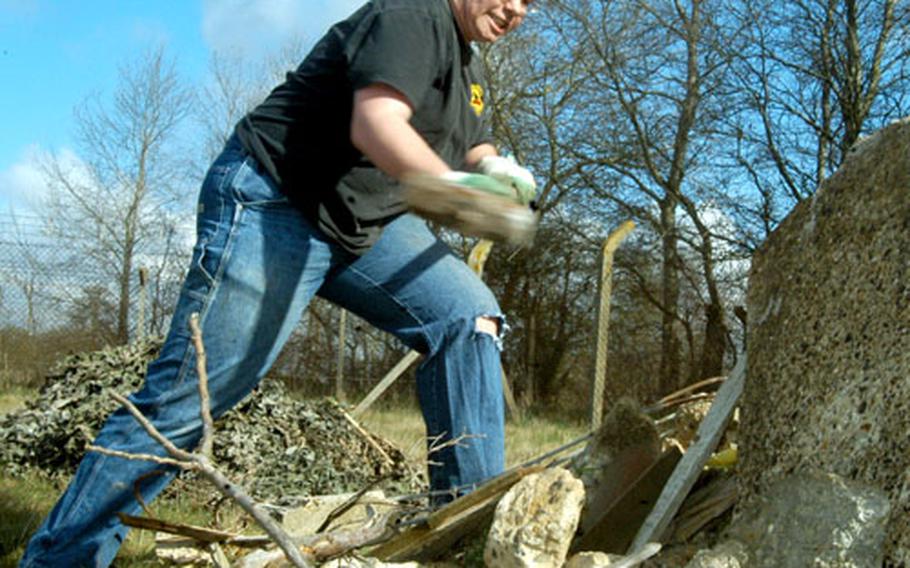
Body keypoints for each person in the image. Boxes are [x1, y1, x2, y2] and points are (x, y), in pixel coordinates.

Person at [21, 0, 535, 565]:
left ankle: (465, 538)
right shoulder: (412, 16)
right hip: (275, 198)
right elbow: (376, 123)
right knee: (195, 394)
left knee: (469, 317)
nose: (515, 8)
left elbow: (472, 141)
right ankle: (59, 558)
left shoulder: (469, 67)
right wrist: (453, 190)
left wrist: (494, 169)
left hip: (359, 223)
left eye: (531, 2)